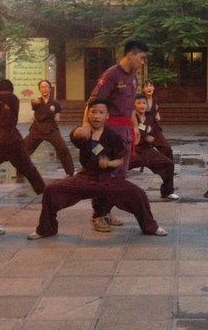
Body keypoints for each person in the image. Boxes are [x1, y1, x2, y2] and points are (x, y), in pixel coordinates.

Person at [28, 98, 167, 239]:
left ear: (107, 116)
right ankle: (46, 229)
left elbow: (121, 159)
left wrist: (109, 164)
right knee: (51, 190)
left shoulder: (113, 137)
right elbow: (75, 135)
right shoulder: (84, 133)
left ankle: (150, 226)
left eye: (101, 112)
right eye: (93, 112)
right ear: (88, 114)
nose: (96, 116)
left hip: (108, 179)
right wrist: (79, 131)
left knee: (138, 194)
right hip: (86, 178)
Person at [86, 39, 147, 232]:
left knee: (119, 173)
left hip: (126, 131)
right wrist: (88, 128)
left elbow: (129, 108)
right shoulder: (112, 74)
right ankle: (98, 215)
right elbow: (94, 101)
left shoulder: (134, 77)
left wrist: (136, 126)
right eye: (142, 58)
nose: (143, 62)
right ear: (131, 54)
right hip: (110, 131)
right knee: (105, 173)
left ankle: (107, 212)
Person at [0, 79, 45, 194]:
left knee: (28, 168)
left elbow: (7, 96)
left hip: (12, 141)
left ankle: (43, 190)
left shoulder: (13, 99)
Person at [131, 93, 179, 200]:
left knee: (168, 164)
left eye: (144, 103)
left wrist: (152, 138)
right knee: (118, 169)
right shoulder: (131, 118)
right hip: (134, 151)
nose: (142, 105)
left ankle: (167, 191)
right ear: (134, 105)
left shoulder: (150, 118)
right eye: (138, 103)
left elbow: (156, 133)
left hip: (148, 150)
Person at [23, 79, 75, 176]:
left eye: (46, 87)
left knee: (62, 148)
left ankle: (70, 172)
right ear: (39, 89)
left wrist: (57, 116)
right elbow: (34, 104)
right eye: (42, 87)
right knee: (24, 149)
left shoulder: (55, 103)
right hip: (37, 129)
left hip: (51, 129)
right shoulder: (36, 101)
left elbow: (58, 113)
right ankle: (20, 170)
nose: (44, 89)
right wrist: (34, 102)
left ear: (50, 89)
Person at [141, 79, 173, 159]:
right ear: (143, 89)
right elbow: (137, 118)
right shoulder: (140, 100)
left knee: (167, 148)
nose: (149, 88)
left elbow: (156, 110)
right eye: (146, 86)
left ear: (154, 88)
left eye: (151, 86)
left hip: (154, 127)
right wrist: (144, 134)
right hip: (143, 127)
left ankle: (168, 166)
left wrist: (157, 114)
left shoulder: (155, 99)